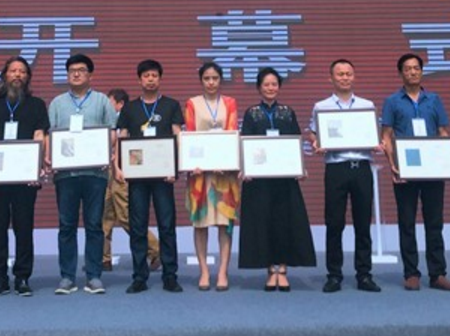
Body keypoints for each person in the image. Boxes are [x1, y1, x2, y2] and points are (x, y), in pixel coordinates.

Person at [381, 53, 450, 292]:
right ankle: (411, 273)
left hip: (433, 168)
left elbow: (443, 133)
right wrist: (393, 164)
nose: (412, 72)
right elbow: (386, 137)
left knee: (434, 222)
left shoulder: (434, 99)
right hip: (406, 169)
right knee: (407, 222)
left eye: (416, 68)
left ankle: (438, 274)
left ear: (422, 71)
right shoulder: (392, 101)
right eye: (407, 69)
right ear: (400, 73)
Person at [307, 59, 381, 293]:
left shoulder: (367, 105)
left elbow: (374, 133)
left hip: (362, 167)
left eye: (348, 73)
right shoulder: (321, 106)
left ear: (354, 76)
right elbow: (312, 133)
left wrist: (376, 142)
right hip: (336, 167)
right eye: (340, 74)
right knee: (334, 223)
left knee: (363, 223)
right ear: (331, 78)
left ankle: (364, 275)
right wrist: (316, 142)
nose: (345, 77)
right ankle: (334, 275)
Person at [0, 56, 48, 297]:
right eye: (13, 71)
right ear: (4, 75)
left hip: (25, 177)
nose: (17, 75)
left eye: (22, 71)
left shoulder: (37, 104)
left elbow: (39, 136)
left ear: (28, 77)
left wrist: (37, 168)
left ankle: (22, 277)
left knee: (24, 227)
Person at [239, 67, 315, 291]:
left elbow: (296, 141)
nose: (270, 88)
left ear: (279, 87)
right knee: (264, 222)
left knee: (284, 222)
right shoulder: (251, 113)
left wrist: (300, 167)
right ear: (258, 87)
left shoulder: (287, 112)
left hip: (284, 179)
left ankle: (282, 269)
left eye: (274, 84)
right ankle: (270, 270)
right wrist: (246, 168)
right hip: (259, 181)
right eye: (266, 84)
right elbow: (246, 143)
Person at [48, 54, 117, 296]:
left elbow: (112, 133)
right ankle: (67, 277)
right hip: (65, 174)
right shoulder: (57, 103)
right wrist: (50, 157)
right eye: (72, 70)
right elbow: (50, 135)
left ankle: (94, 275)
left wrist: (104, 152)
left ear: (90, 75)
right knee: (66, 225)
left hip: (95, 173)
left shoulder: (102, 101)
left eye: (81, 70)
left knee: (94, 225)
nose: (76, 74)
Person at [115, 59, 184, 294]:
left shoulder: (171, 105)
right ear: (139, 80)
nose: (150, 79)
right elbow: (122, 138)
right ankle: (139, 277)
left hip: (164, 175)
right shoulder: (130, 108)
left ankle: (170, 275)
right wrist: (118, 166)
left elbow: (177, 136)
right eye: (146, 76)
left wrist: (176, 167)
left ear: (160, 79)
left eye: (154, 75)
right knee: (138, 226)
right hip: (137, 176)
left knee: (167, 225)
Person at [184, 62, 239, 291]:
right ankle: (204, 271)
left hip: (224, 175)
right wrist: (192, 163)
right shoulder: (192, 103)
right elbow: (190, 134)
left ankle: (223, 271)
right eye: (207, 78)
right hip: (200, 176)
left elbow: (231, 132)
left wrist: (225, 161)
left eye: (215, 78)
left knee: (225, 225)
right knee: (201, 224)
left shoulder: (230, 103)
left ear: (220, 80)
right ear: (201, 80)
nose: (211, 82)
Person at [102, 88, 161, 272]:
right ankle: (103, 258)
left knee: (126, 215)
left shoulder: (128, 119)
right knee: (104, 215)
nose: (106, 106)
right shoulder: (110, 121)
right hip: (106, 172)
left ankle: (156, 249)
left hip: (122, 171)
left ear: (120, 104)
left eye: (110, 103)